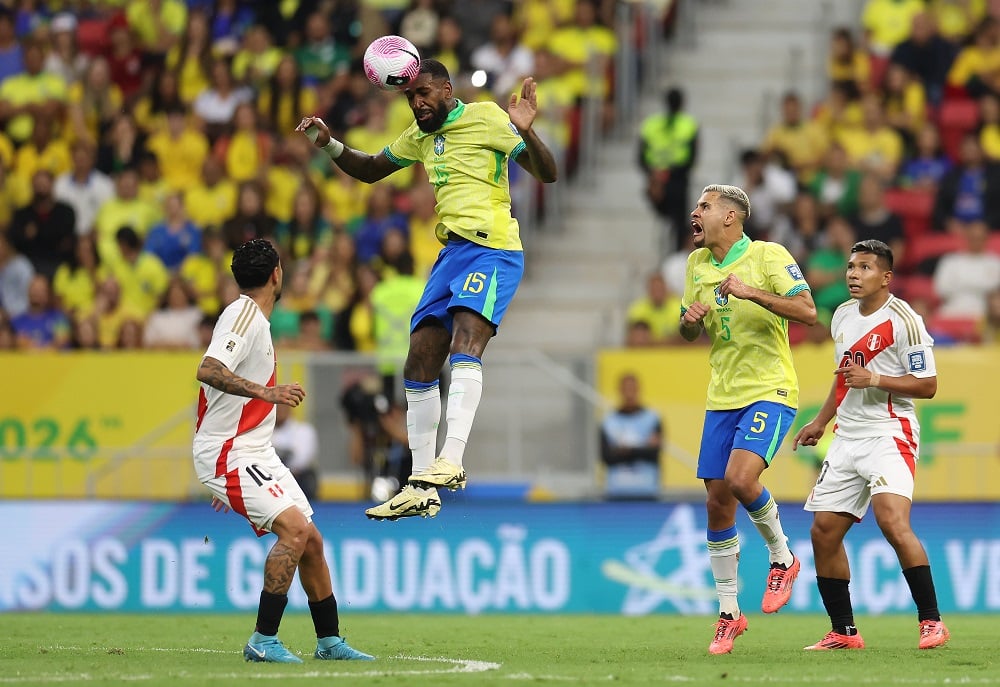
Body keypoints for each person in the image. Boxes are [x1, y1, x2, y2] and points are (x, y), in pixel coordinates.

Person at [296, 59, 557, 520]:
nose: (417, 103)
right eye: (409, 97)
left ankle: (452, 461)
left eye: (423, 93)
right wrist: (329, 143)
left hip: (493, 248)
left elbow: (548, 173)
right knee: (417, 361)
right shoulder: (419, 137)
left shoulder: (487, 117)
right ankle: (420, 484)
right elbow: (373, 169)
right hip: (451, 254)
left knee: (465, 344)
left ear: (446, 89)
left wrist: (526, 132)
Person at [192, 238, 373, 664]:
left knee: (309, 538)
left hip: (251, 451)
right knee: (293, 530)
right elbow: (208, 369)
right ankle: (263, 639)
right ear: (277, 273)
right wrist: (267, 392)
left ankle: (329, 641)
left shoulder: (256, 319)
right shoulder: (243, 315)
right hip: (231, 452)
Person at [678, 184, 817, 655]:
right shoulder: (695, 265)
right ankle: (729, 614)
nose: (695, 213)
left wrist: (748, 291)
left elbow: (808, 311)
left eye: (705, 207)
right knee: (718, 502)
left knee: (740, 478)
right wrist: (692, 321)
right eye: (696, 206)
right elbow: (688, 328)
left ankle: (782, 556)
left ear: (732, 217)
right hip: (722, 395)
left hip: (769, 389)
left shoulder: (767, 255)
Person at [792, 239, 950, 651]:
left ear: (886, 277)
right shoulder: (842, 315)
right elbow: (845, 376)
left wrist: (876, 379)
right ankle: (843, 632)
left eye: (864, 268)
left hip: (889, 431)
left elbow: (929, 386)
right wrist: (820, 421)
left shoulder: (906, 320)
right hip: (847, 435)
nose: (853, 275)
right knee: (823, 531)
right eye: (850, 267)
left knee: (892, 521)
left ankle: (932, 622)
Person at [638, 87, 699, 255]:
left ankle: (675, 248)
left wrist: (655, 173)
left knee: (675, 218)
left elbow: (641, 157)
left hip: (657, 179)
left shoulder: (651, 124)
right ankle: (677, 250)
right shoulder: (688, 124)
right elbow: (691, 158)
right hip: (676, 180)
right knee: (679, 219)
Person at [600, 372, 663, 500]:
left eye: (632, 389)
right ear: (620, 391)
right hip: (616, 492)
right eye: (626, 389)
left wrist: (623, 450)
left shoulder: (652, 419)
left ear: (638, 390)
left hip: (646, 492)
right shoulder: (608, 421)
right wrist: (642, 448)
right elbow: (606, 457)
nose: (629, 393)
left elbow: (653, 453)